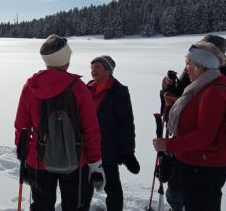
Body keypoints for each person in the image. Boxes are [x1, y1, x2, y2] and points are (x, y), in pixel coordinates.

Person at [14, 34, 105, 211]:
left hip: (38, 161)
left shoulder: (31, 86)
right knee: (75, 207)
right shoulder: (79, 87)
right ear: (66, 60)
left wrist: (23, 159)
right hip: (76, 162)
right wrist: (95, 163)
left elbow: (22, 127)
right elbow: (91, 129)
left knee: (41, 206)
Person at [153, 41, 226, 211]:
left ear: (201, 66)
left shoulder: (213, 92)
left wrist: (168, 145)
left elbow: (205, 136)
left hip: (203, 168)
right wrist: (177, 102)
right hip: (195, 163)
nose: (186, 68)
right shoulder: (203, 85)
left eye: (188, 63)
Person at [88, 55, 140, 211]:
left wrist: (128, 152)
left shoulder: (119, 92)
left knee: (112, 187)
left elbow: (127, 124)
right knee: (84, 186)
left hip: (108, 148)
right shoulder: (86, 88)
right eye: (91, 67)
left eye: (97, 66)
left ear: (108, 70)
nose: (93, 70)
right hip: (87, 148)